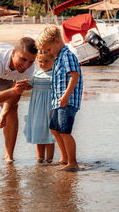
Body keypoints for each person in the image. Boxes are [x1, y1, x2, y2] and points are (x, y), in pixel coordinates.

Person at [36, 25, 83, 171]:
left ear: (57, 41)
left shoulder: (67, 55)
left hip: (67, 101)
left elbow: (74, 76)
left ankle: (73, 162)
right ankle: (64, 158)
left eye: (49, 49)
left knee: (64, 131)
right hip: (59, 101)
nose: (49, 53)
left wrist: (66, 96)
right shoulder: (58, 57)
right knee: (54, 128)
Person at [23, 51, 56, 163]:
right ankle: (40, 159)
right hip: (37, 109)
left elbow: (58, 91)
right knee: (39, 132)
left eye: (46, 61)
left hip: (49, 107)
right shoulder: (36, 74)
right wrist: (23, 85)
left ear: (53, 60)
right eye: (40, 61)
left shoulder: (55, 74)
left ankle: (49, 160)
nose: (43, 63)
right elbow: (30, 85)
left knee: (50, 134)